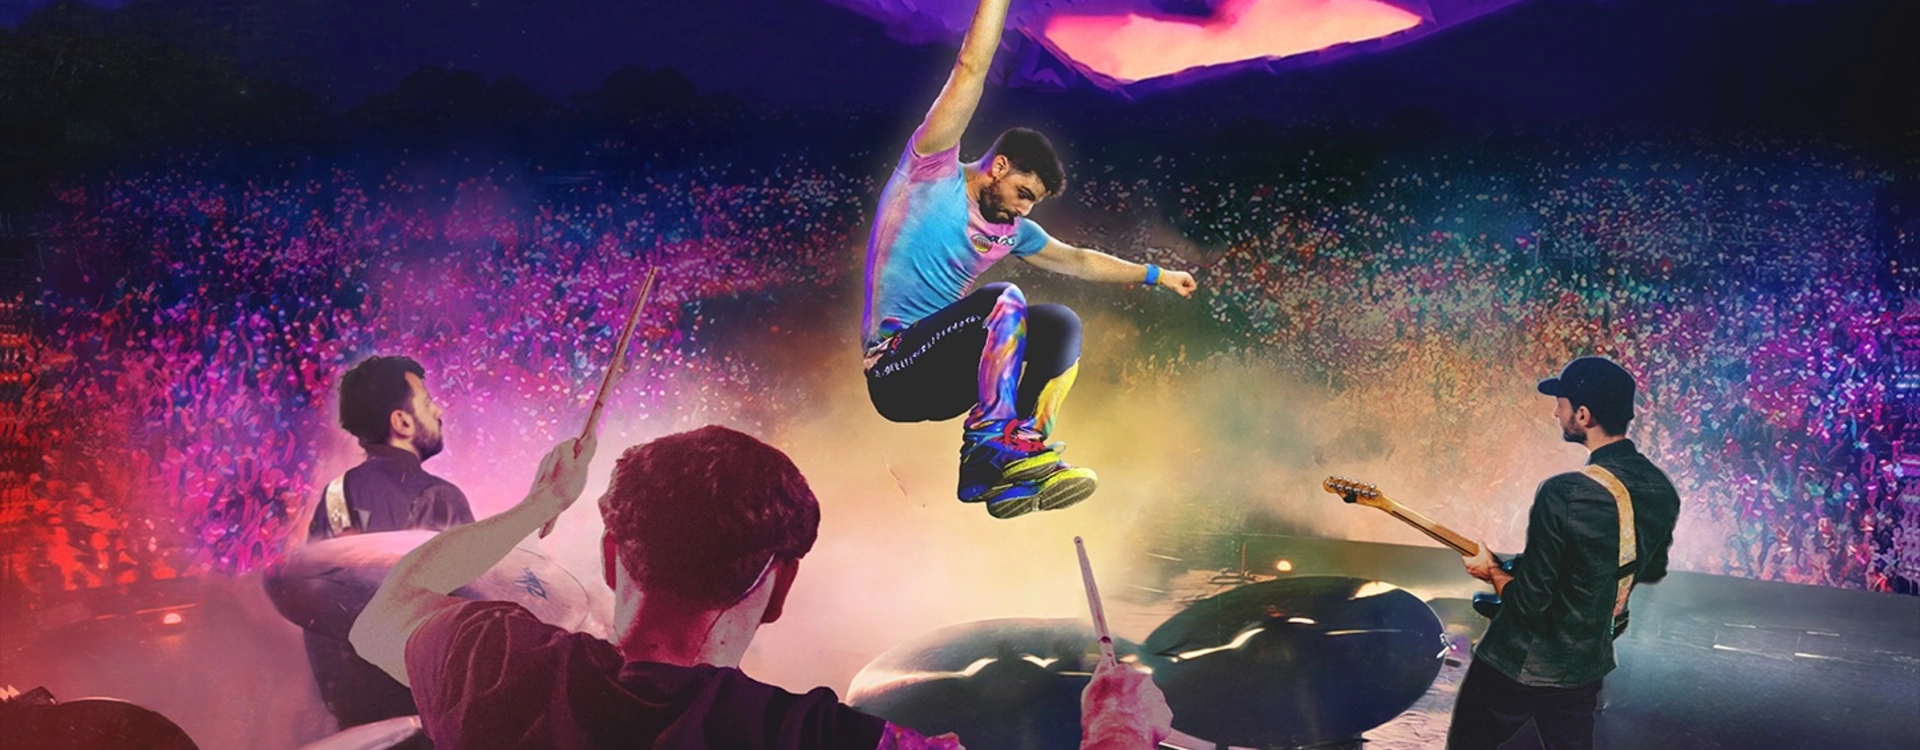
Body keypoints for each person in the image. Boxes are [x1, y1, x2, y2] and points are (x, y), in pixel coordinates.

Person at [349, 426, 1174, 749]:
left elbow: (386, 608)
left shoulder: (494, 665)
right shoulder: (825, 742)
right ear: (777, 589)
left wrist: (537, 506)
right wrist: (1117, 730)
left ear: (609, 557)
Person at [861, 0, 1201, 519]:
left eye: (1033, 203)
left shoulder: (1013, 231)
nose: (1023, 210)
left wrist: (1156, 275)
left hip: (951, 379)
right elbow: (970, 68)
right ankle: (990, 444)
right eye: (1022, 193)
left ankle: (1011, 458)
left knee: (1060, 324)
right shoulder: (931, 172)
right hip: (896, 371)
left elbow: (1079, 261)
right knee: (1004, 298)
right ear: (998, 167)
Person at [1450, 356, 1682, 750]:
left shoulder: (1564, 492)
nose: (1556, 413)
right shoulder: (1661, 489)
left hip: (1516, 665)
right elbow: (1651, 567)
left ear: (1584, 415)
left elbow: (1529, 603)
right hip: (1585, 667)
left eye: (1561, 404)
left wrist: (1491, 570)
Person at [289, 355, 475, 730]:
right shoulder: (440, 497)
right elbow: (470, 613)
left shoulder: (335, 496)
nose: (438, 411)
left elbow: (319, 610)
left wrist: (343, 702)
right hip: (425, 715)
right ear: (401, 422)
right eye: (427, 402)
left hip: (357, 714)